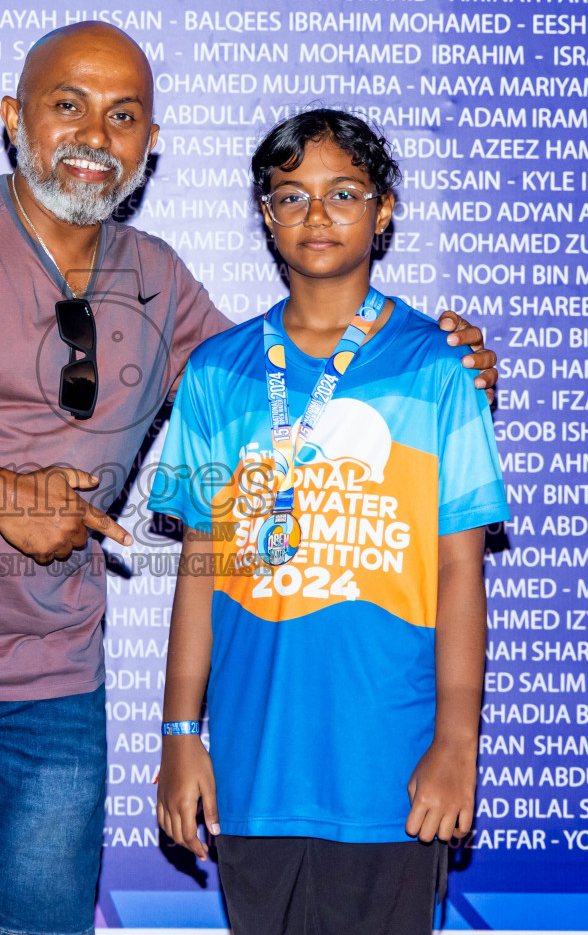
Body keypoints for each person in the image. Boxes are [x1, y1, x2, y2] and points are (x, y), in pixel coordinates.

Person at [0, 24, 498, 935]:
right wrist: (1, 491)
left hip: (54, 689)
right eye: (67, 104)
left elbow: (280, 390)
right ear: (12, 118)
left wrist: (436, 359)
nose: (94, 135)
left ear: (149, 147)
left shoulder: (159, 279)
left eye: (123, 116)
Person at [150, 109, 510, 935]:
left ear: (384, 209)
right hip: (254, 769)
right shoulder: (216, 374)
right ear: (266, 216)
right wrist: (180, 734)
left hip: (390, 772)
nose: (317, 216)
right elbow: (200, 566)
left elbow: (461, 570)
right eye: (291, 197)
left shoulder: (437, 367)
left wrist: (457, 744)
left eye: (343, 193)